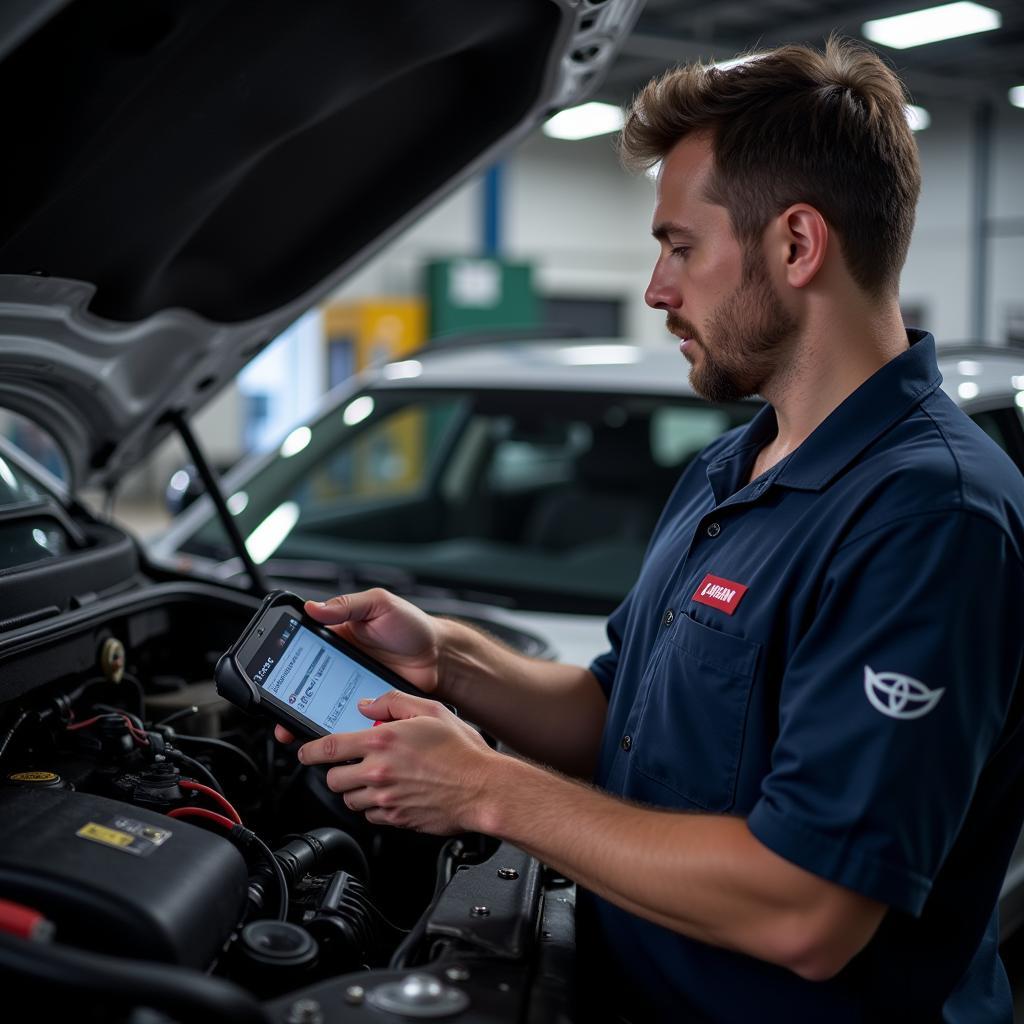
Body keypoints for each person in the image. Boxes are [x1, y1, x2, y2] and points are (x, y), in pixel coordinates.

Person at [277, 38, 1024, 1021]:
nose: (656, 290)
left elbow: (807, 908)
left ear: (797, 245)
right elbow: (614, 712)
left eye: (680, 246)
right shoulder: (731, 466)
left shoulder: (932, 516)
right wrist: (451, 657)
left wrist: (484, 790)